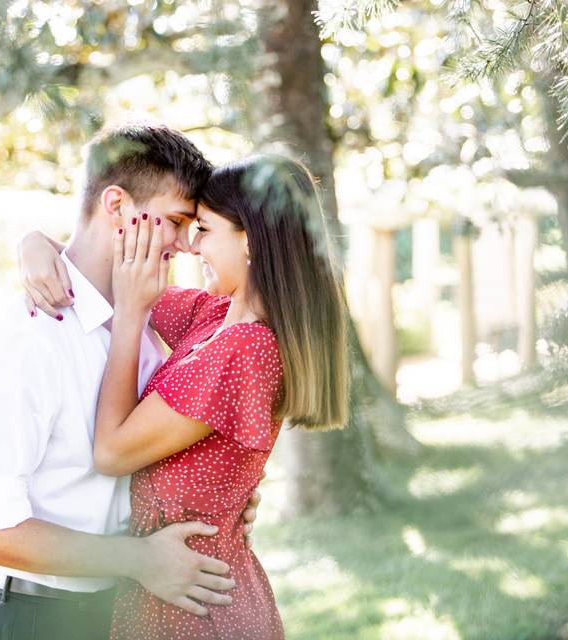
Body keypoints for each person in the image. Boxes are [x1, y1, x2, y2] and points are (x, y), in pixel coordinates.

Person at [0, 122, 261, 640]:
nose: (185, 245)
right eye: (176, 221)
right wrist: (139, 559)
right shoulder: (24, 344)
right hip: (40, 621)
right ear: (116, 207)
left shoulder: (146, 322)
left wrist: (227, 487)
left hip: (130, 612)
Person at [20, 154, 349, 639]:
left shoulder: (247, 348)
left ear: (252, 240)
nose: (192, 248)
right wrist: (31, 244)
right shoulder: (213, 317)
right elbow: (102, 274)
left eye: (205, 231)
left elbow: (111, 452)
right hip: (170, 589)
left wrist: (131, 317)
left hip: (198, 609)